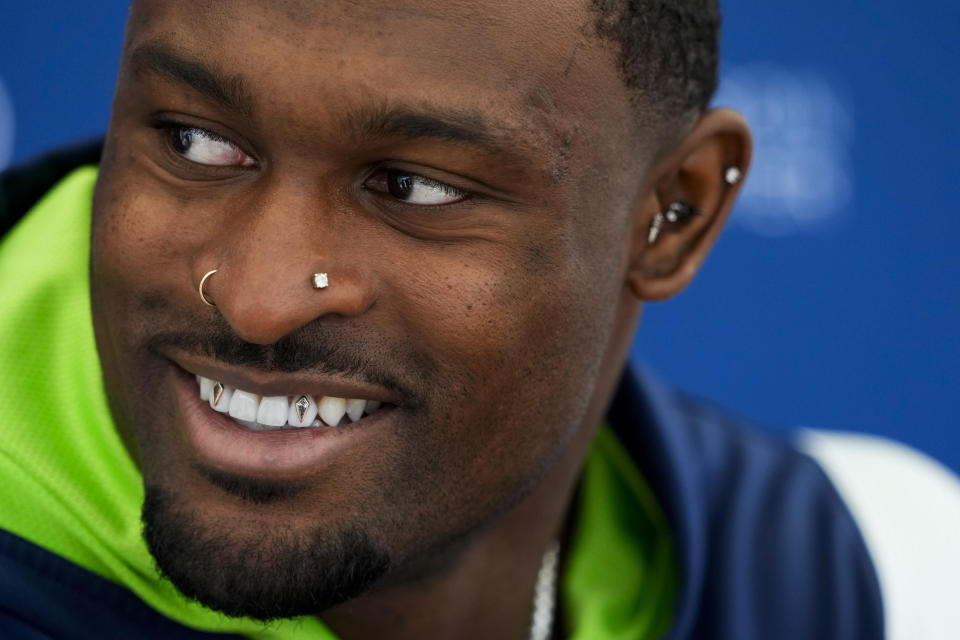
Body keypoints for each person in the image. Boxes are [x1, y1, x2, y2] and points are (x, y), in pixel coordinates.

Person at [0, 1, 957, 638]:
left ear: (674, 211)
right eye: (196, 142)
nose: (257, 299)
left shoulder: (877, 576)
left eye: (412, 187)